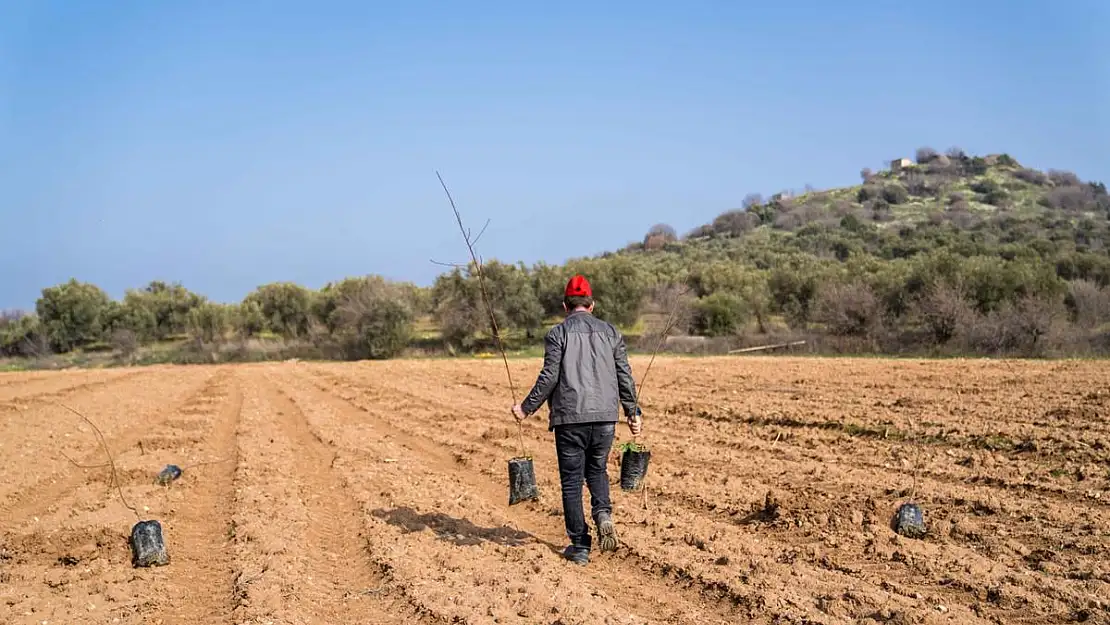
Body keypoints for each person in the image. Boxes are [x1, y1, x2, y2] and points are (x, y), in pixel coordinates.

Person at [511, 274, 643, 565]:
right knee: (597, 471)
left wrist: (525, 408)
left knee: (571, 482)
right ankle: (603, 512)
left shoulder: (558, 334)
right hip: (606, 419)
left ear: (564, 305)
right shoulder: (611, 333)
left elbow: (549, 377)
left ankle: (581, 546)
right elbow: (624, 376)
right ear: (592, 305)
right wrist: (633, 413)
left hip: (570, 419)